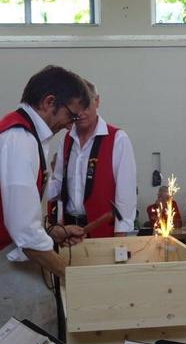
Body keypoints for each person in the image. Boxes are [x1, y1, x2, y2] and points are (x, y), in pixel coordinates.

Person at [0, 65, 89, 340]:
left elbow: (18, 217)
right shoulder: (18, 139)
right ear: (49, 102)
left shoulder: (25, 133)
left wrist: (51, 232)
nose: (70, 125)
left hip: (9, 258)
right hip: (0, 267)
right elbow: (24, 231)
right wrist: (73, 277)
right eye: (71, 115)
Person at [48, 80, 136, 237]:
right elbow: (58, 184)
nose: (81, 113)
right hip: (69, 230)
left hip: (103, 231)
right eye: (76, 108)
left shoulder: (118, 139)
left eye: (86, 106)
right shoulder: (66, 140)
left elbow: (126, 193)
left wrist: (121, 232)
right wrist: (34, 188)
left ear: (97, 101)